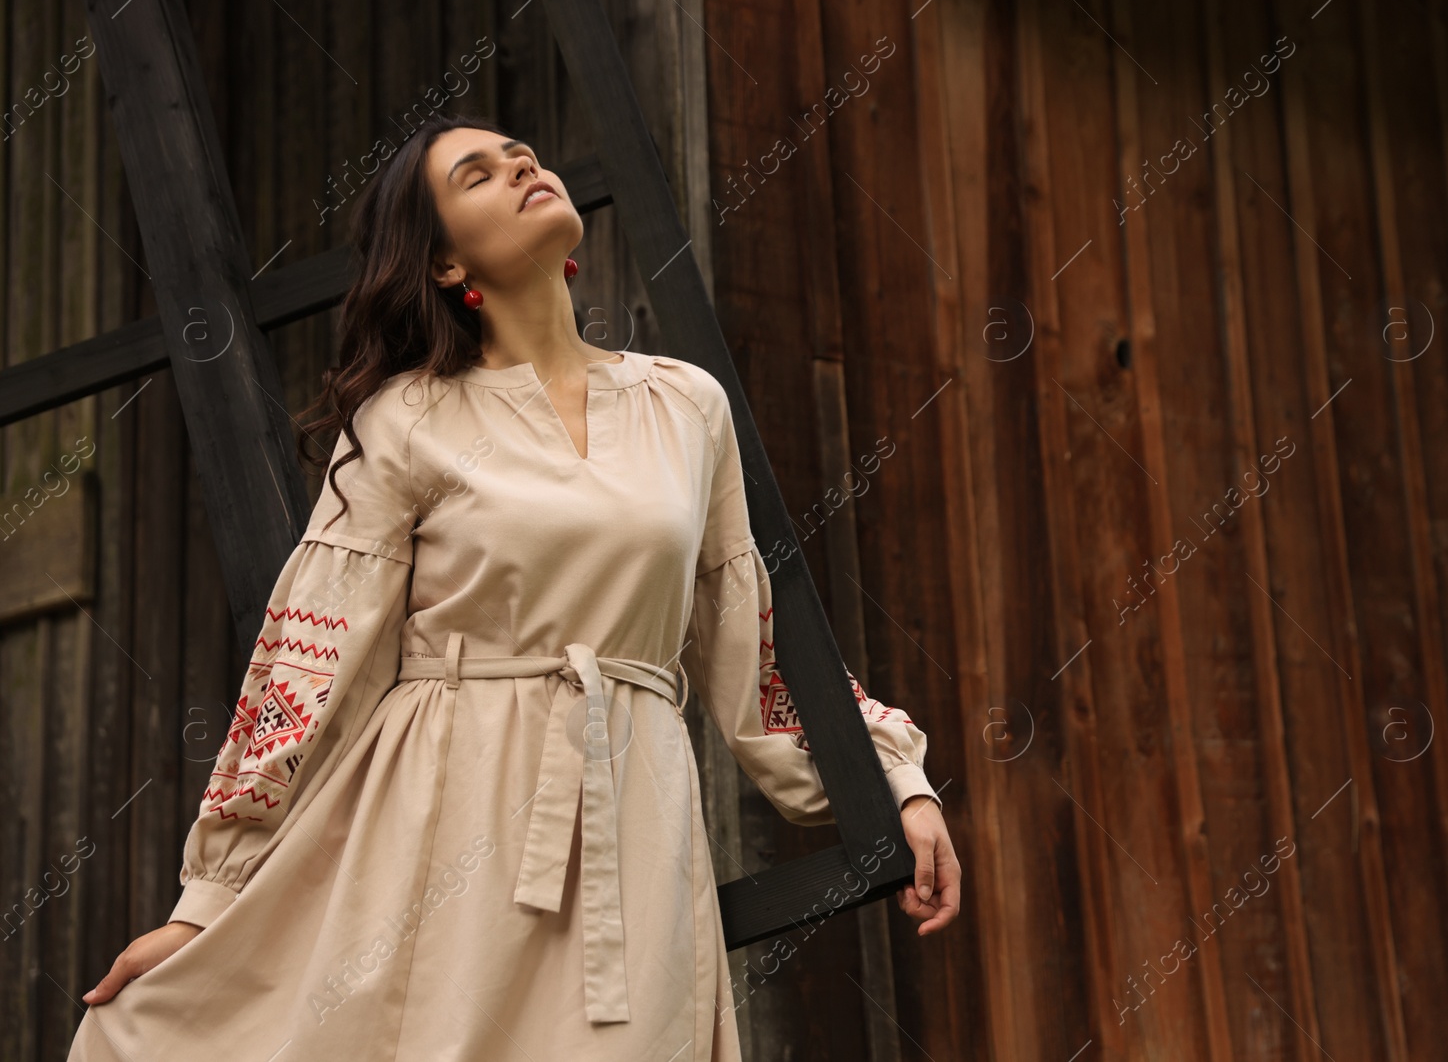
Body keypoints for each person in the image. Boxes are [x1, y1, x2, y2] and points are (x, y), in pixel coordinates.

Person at [67, 112, 959, 1061]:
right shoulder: (405, 418)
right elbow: (310, 655)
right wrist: (209, 901)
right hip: (435, 815)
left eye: (521, 154)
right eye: (478, 174)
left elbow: (756, 648)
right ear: (448, 265)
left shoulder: (685, 404)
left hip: (634, 822)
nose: (522, 165)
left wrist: (897, 778)